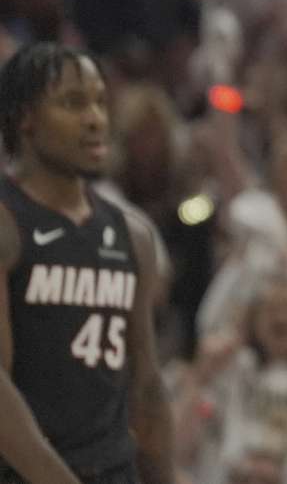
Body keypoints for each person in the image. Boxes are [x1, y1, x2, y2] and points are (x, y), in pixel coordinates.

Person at [0, 43, 173, 483]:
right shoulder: (7, 223)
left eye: (100, 101)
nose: (96, 118)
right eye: (73, 103)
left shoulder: (133, 235)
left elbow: (146, 387)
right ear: (26, 119)